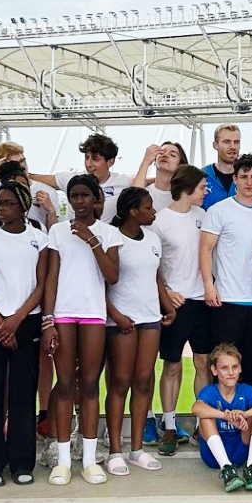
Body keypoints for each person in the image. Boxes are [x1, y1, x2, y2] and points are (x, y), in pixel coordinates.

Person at [0, 181, 51, 486]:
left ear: (22, 205)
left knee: (22, 394)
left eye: (7, 203)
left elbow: (41, 285)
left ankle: (21, 462)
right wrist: (0, 323)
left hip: (25, 322)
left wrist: (16, 320)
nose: (1, 209)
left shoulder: (38, 238)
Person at [43, 174, 118, 484]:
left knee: (89, 385)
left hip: (93, 314)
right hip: (63, 314)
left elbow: (112, 275)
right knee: (64, 384)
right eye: (74, 196)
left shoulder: (109, 233)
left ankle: (88, 459)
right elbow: (51, 278)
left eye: (85, 195)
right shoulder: (57, 231)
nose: (79, 201)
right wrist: (48, 320)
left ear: (96, 199)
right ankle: (62, 460)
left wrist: (91, 240)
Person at [104, 187, 165, 475]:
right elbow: (101, 283)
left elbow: (157, 277)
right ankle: (114, 450)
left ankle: (137, 449)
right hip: (121, 320)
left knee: (143, 381)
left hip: (151, 317)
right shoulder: (112, 238)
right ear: (133, 211)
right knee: (120, 382)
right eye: (149, 207)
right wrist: (115, 314)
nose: (153, 212)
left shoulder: (153, 238)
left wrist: (168, 306)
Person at [152, 164, 208, 455]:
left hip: (203, 303)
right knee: (172, 365)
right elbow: (153, 264)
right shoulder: (160, 221)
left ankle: (203, 424)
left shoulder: (204, 216)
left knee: (203, 363)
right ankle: (170, 427)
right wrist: (167, 293)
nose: (205, 191)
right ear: (187, 188)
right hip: (176, 304)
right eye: (202, 187)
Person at [199, 152, 252, 385]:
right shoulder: (219, 210)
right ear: (235, 179)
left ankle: (251, 420)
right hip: (227, 301)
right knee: (224, 368)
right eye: (244, 176)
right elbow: (205, 249)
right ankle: (218, 419)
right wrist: (209, 285)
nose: (250, 182)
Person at [193, 342, 252, 493]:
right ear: (214, 370)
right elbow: (196, 408)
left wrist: (245, 414)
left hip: (240, 451)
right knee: (205, 417)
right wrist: (226, 416)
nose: (231, 372)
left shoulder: (246, 390)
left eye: (234, 367)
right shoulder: (210, 391)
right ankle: (227, 470)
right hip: (213, 457)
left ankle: (251, 468)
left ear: (240, 368)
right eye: (224, 368)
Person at [31, 133, 125, 223]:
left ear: (111, 162)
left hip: (106, 238)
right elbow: (32, 177)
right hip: (72, 236)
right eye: (86, 157)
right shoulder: (71, 179)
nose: (88, 164)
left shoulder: (124, 183)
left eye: (95, 159)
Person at [200, 124, 243, 209]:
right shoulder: (201, 176)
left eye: (236, 142)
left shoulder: (249, 178)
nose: (233, 147)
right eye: (227, 142)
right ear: (215, 145)